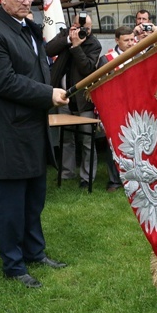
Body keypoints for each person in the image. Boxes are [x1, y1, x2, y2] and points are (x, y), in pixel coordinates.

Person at [0, 0, 69, 288]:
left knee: (34, 198)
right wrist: (47, 94)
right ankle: (14, 266)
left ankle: (34, 251)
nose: (28, 2)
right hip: (9, 131)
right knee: (12, 202)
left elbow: (39, 69)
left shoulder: (28, 28)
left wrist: (50, 89)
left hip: (32, 128)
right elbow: (4, 81)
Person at [46, 13, 102, 188]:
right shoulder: (65, 35)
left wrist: (77, 46)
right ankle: (66, 173)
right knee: (66, 137)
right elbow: (47, 50)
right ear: (73, 25)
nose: (83, 31)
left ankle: (87, 178)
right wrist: (68, 40)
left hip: (84, 99)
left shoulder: (94, 44)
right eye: (79, 26)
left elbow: (87, 68)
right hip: (63, 97)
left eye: (87, 28)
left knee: (87, 140)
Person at [97, 25, 135, 192]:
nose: (130, 43)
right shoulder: (106, 60)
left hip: (135, 106)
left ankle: (134, 178)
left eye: (132, 39)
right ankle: (114, 180)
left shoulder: (139, 55)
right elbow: (101, 87)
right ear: (117, 40)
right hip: (115, 107)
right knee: (114, 145)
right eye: (126, 40)